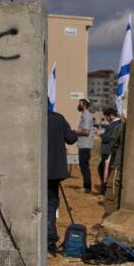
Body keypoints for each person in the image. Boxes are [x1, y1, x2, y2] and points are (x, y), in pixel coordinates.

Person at [48, 108, 83, 255]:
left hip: (35, 171)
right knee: (51, 204)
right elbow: (71, 138)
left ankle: (44, 238)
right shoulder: (58, 118)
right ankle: (49, 240)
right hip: (54, 171)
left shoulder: (31, 117)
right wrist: (76, 132)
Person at [103, 112, 127, 214]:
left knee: (111, 196)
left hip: (119, 166)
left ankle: (109, 219)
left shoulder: (122, 127)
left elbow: (112, 142)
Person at [97, 108, 121, 196]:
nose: (106, 119)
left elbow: (107, 138)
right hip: (110, 151)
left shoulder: (113, 125)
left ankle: (104, 191)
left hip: (107, 151)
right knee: (103, 169)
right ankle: (104, 189)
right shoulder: (118, 124)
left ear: (111, 116)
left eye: (107, 117)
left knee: (104, 171)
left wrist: (100, 134)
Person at [76, 99, 95, 193]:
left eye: (80, 104)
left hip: (85, 145)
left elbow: (86, 132)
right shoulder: (85, 115)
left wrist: (76, 132)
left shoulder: (86, 116)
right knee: (84, 166)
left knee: (84, 167)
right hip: (84, 144)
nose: (78, 105)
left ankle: (87, 187)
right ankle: (86, 186)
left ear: (84, 105)